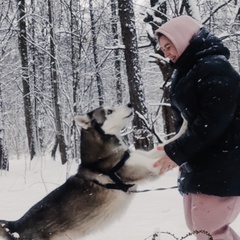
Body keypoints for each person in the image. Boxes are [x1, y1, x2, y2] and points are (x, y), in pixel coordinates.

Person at [153, 15, 240, 240]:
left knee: (208, 228)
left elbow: (212, 123)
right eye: (163, 49)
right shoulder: (186, 72)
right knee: (199, 226)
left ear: (183, 39)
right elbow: (185, 122)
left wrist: (177, 153)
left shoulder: (215, 69)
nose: (166, 53)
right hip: (201, 162)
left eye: (169, 46)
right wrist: (176, 150)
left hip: (224, 162)